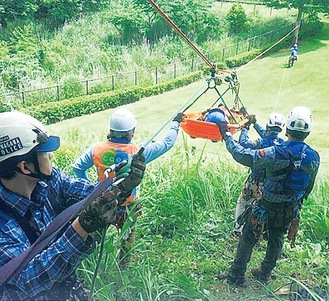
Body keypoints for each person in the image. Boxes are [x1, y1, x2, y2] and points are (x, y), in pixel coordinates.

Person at [0, 111, 146, 300]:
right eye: (44, 152)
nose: (51, 155)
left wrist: (121, 186)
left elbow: (91, 195)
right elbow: (26, 280)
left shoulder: (49, 182)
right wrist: (82, 227)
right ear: (25, 167)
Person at [217, 106, 320, 286]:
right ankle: (264, 273)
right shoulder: (313, 157)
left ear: (287, 129)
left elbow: (242, 155)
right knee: (277, 238)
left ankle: (236, 276)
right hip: (290, 208)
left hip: (267, 206)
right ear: (308, 132)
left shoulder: (278, 152)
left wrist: (226, 134)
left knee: (248, 238)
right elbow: (309, 186)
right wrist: (297, 202)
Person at [72, 108, 185, 263]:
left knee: (95, 236)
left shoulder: (97, 149)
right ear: (131, 132)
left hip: (102, 203)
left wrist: (91, 189)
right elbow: (167, 143)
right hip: (128, 205)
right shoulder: (138, 152)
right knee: (127, 237)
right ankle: (123, 266)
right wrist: (175, 123)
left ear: (111, 130)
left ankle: (91, 262)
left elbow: (77, 168)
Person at [233, 112, 286, 236]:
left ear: (268, 125)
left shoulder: (262, 142)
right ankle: (259, 232)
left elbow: (245, 144)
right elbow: (267, 135)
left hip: (255, 181)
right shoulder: (281, 143)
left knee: (243, 202)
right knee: (261, 208)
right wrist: (255, 123)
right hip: (269, 184)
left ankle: (237, 229)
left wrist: (245, 128)